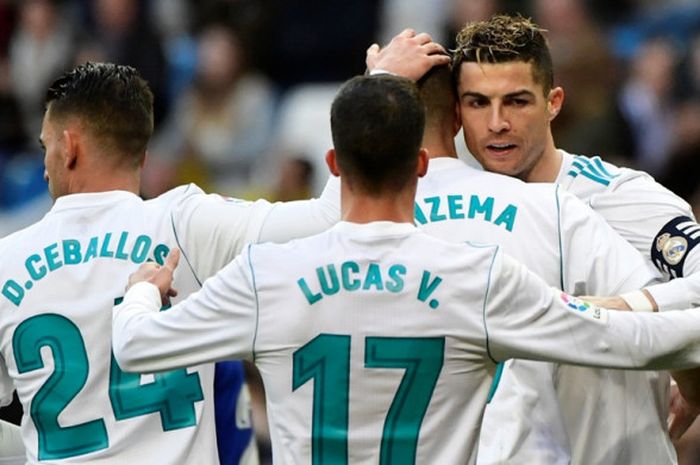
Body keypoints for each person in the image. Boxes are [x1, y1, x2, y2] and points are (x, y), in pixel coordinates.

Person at [112, 74, 700, 465]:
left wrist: (143, 291)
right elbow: (630, 343)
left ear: (333, 164)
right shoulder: (478, 277)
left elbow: (136, 347)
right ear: (422, 164)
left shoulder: (265, 276)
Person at [367, 15, 700, 465]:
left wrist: (623, 308)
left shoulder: (618, 196)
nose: (497, 122)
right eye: (478, 103)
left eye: (517, 101)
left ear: (553, 103)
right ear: (457, 113)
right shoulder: (445, 214)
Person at [0, 62, 337, 464]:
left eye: (46, 147)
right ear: (143, 154)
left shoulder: (6, 260)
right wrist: (382, 83)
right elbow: (329, 219)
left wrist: (37, 444)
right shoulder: (184, 223)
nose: (44, 164)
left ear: (70, 147)